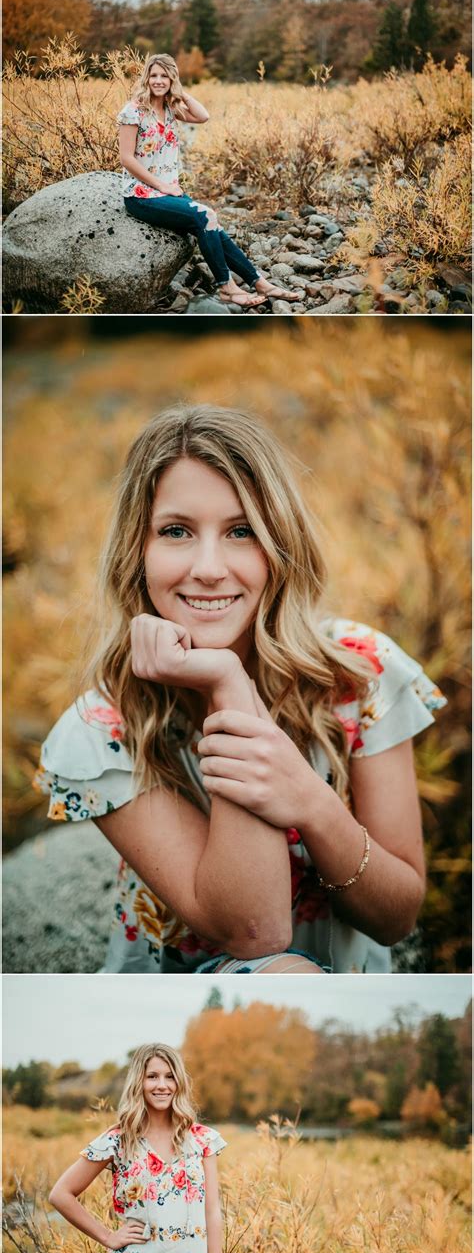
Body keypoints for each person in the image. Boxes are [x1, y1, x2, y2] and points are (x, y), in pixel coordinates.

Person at [35, 403, 446, 977]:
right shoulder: (102, 729)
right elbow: (256, 933)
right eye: (176, 531)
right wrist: (228, 686)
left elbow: (397, 916)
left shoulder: (360, 673)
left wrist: (307, 798)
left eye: (241, 531)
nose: (208, 567)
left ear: (280, 544)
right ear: (139, 549)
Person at [48, 1043, 225, 1253]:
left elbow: (212, 1211)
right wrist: (108, 1236)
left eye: (170, 1076)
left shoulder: (203, 1139)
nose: (162, 1085)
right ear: (138, 1083)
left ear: (179, 1082)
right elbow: (60, 1194)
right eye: (152, 1076)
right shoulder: (118, 1139)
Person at [118, 53, 304, 309]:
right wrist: (161, 186)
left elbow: (203, 116)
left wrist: (180, 93)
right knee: (206, 216)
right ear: (146, 78)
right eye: (154, 75)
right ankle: (226, 287)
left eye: (165, 76)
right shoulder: (133, 111)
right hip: (140, 196)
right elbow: (126, 158)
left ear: (173, 79)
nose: (158, 81)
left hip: (168, 193)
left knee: (211, 224)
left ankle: (258, 281)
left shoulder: (171, 108)